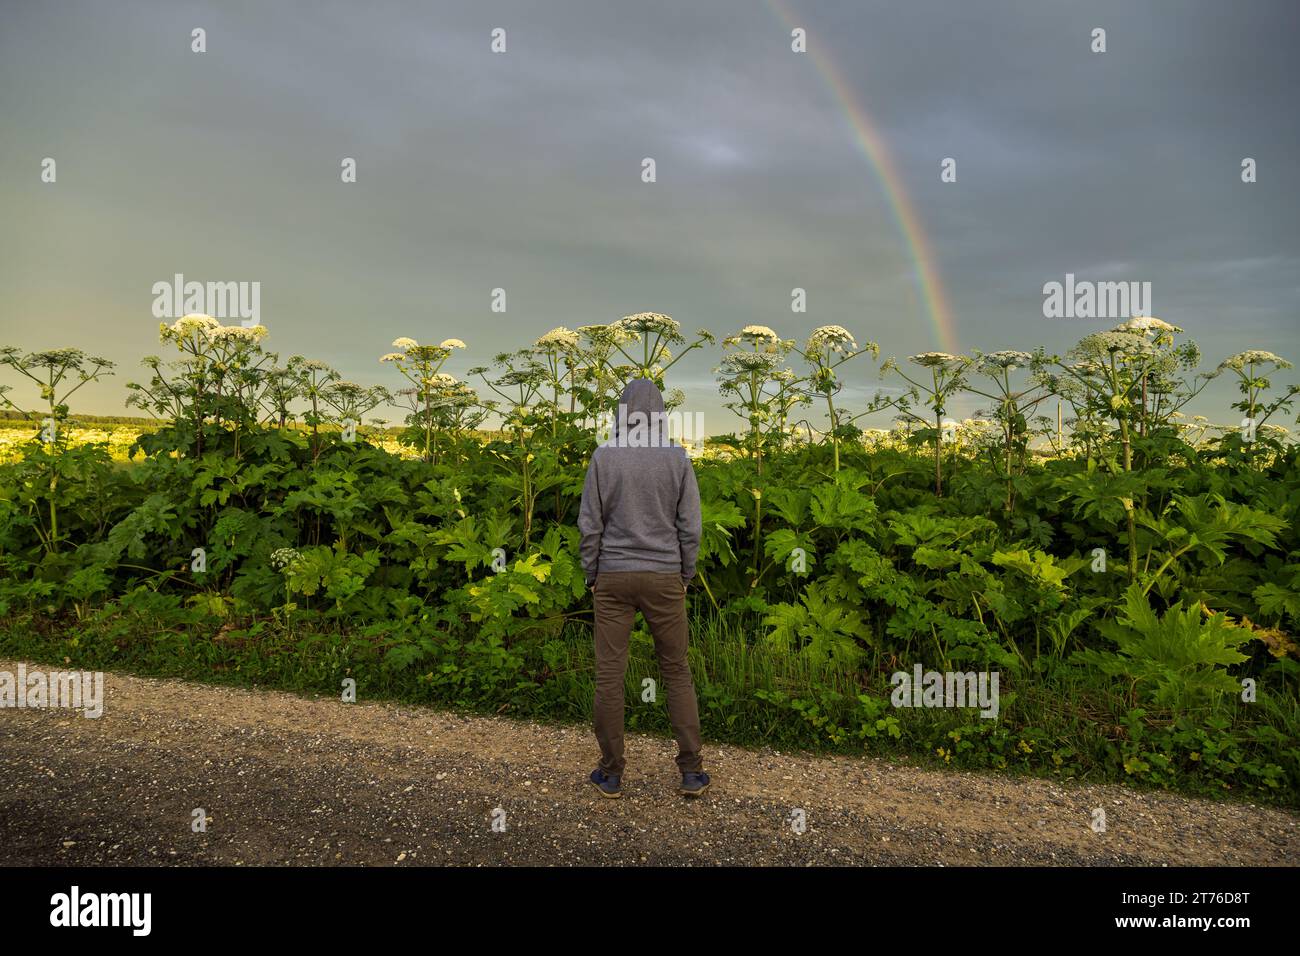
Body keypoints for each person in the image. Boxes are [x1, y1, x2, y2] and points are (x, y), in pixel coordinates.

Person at [578, 378, 707, 798]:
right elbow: (691, 527)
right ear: (661, 412)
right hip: (664, 576)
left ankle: (611, 773)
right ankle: (690, 771)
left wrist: (592, 574)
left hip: (613, 576)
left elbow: (589, 525)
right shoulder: (677, 458)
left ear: (622, 411)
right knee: (676, 671)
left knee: (610, 676)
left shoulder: (604, 456)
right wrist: (685, 576)